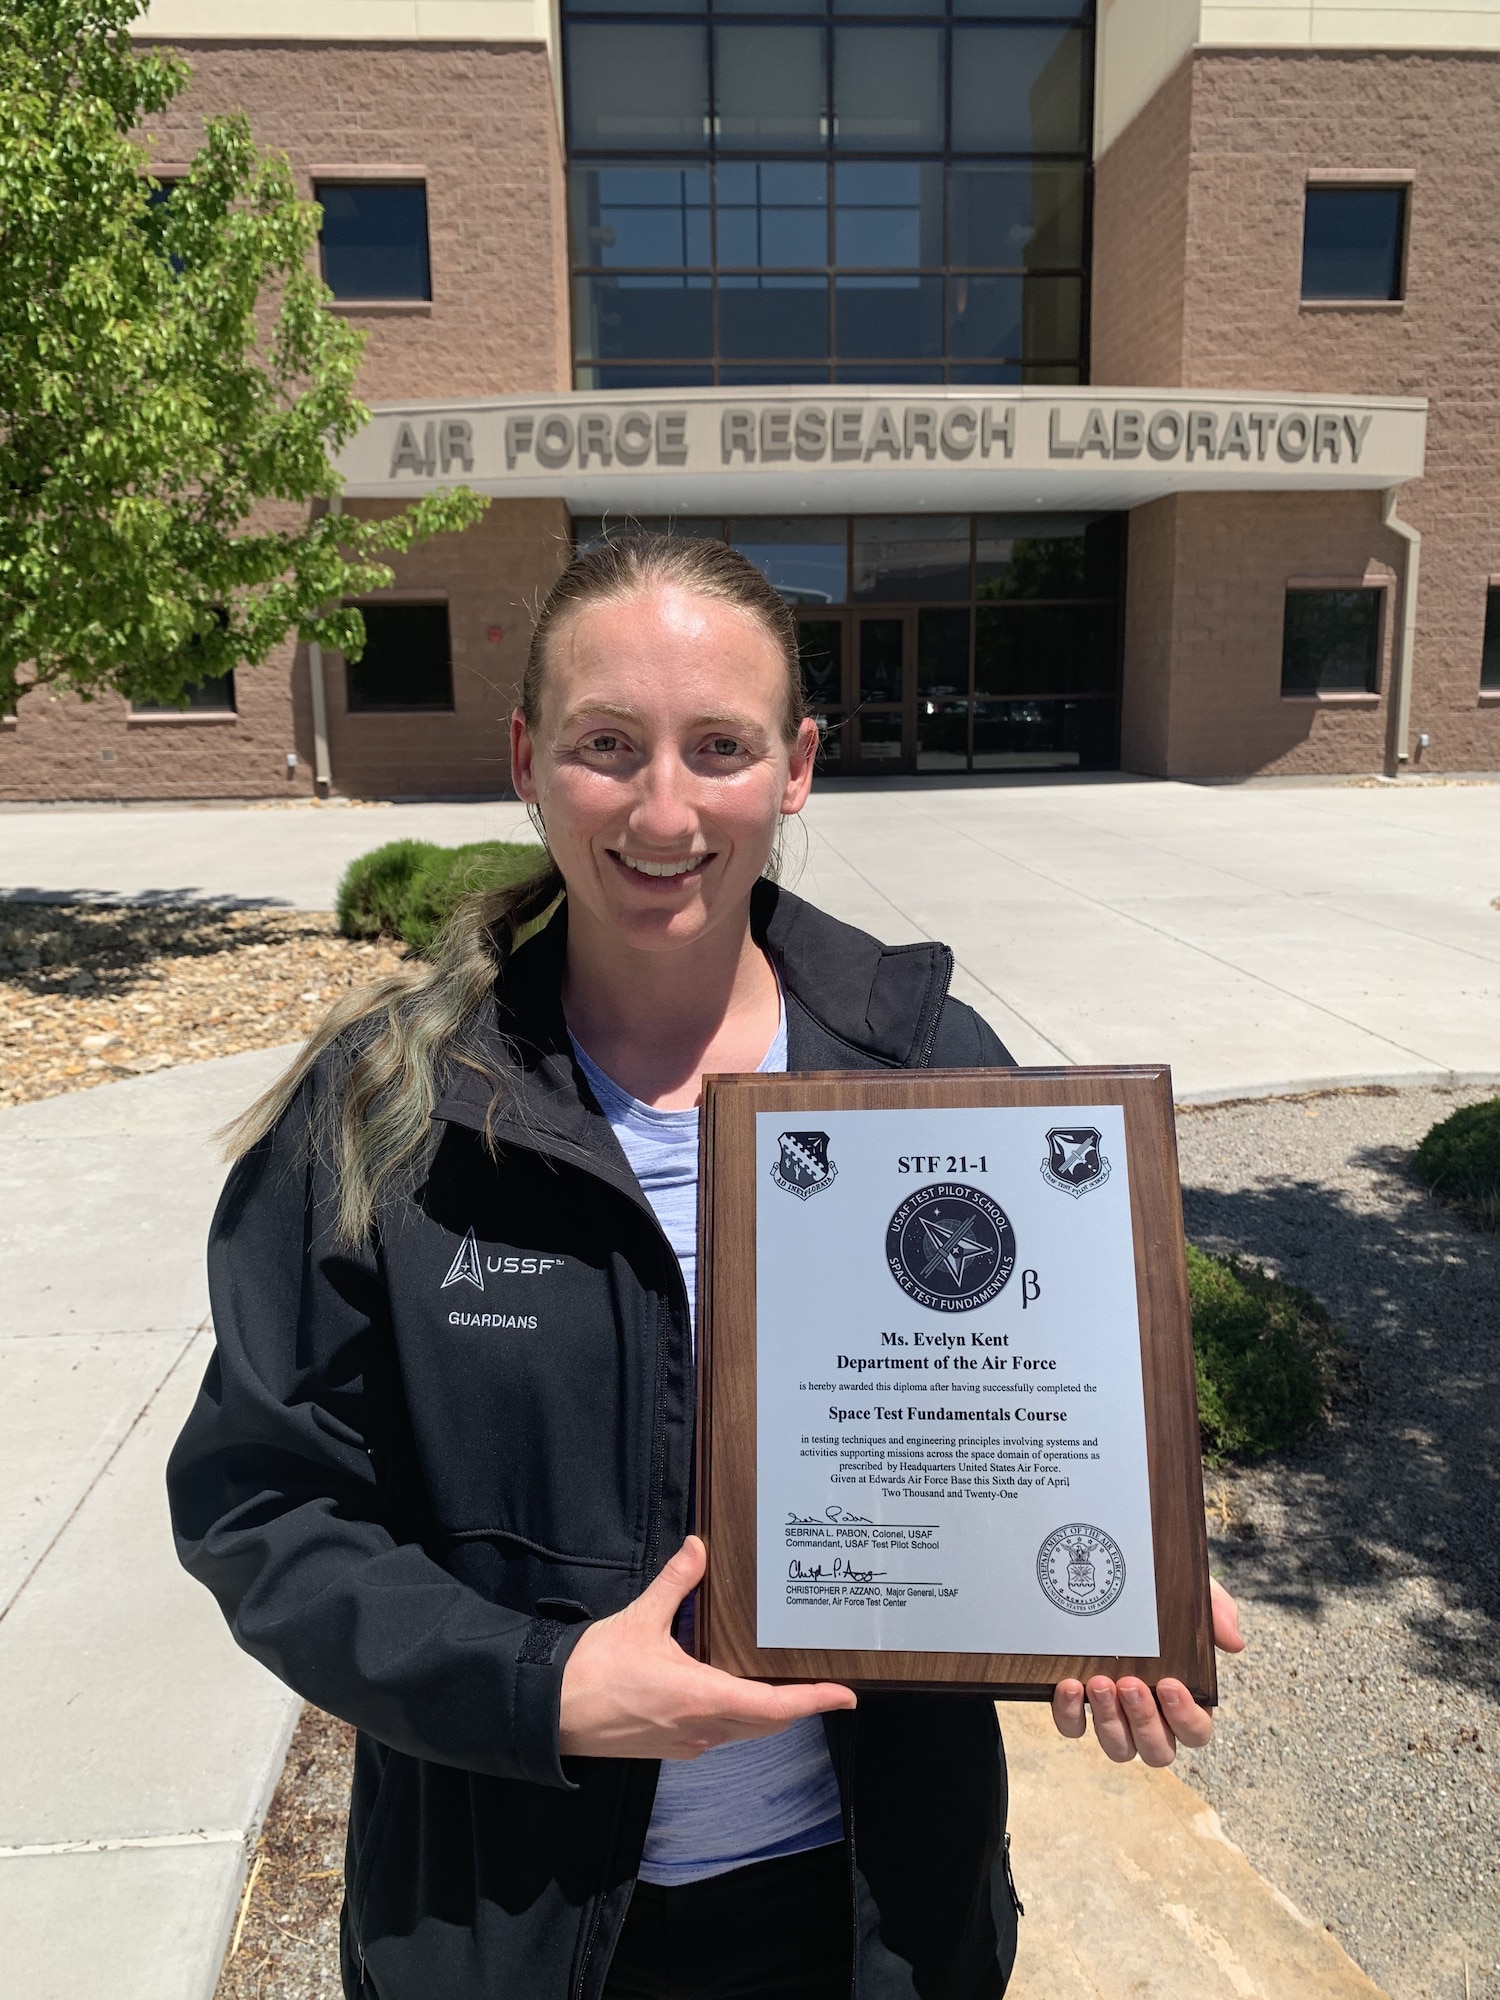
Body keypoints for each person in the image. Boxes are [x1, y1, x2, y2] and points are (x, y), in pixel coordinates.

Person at [167, 536, 1243, 2000]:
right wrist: (542, 1688)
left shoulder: (937, 1080)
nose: (663, 808)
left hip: (864, 1923)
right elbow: (265, 1503)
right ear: (528, 760)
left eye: (719, 746)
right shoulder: (390, 1112)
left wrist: (1106, 1595)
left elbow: (1047, 1425)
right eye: (609, 744)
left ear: (796, 768)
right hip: (512, 1925)